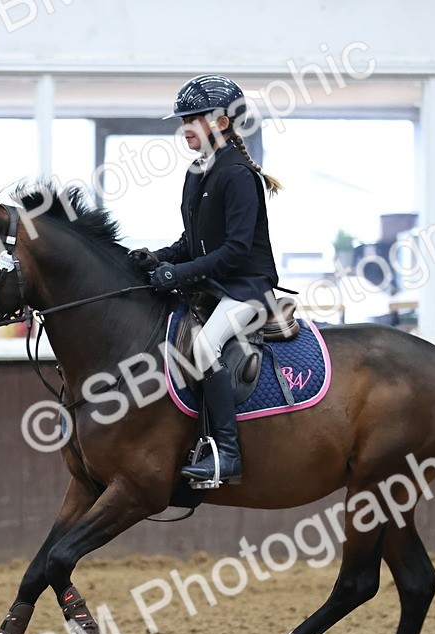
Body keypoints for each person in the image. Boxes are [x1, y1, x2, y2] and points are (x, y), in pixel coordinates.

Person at [128, 74, 284, 486]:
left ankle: (227, 454)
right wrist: (155, 258)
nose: (184, 129)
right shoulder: (197, 172)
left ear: (221, 122)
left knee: (202, 345)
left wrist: (177, 274)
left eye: (192, 120)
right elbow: (191, 241)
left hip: (247, 287)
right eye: (183, 121)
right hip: (215, 286)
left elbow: (234, 251)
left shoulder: (238, 176)